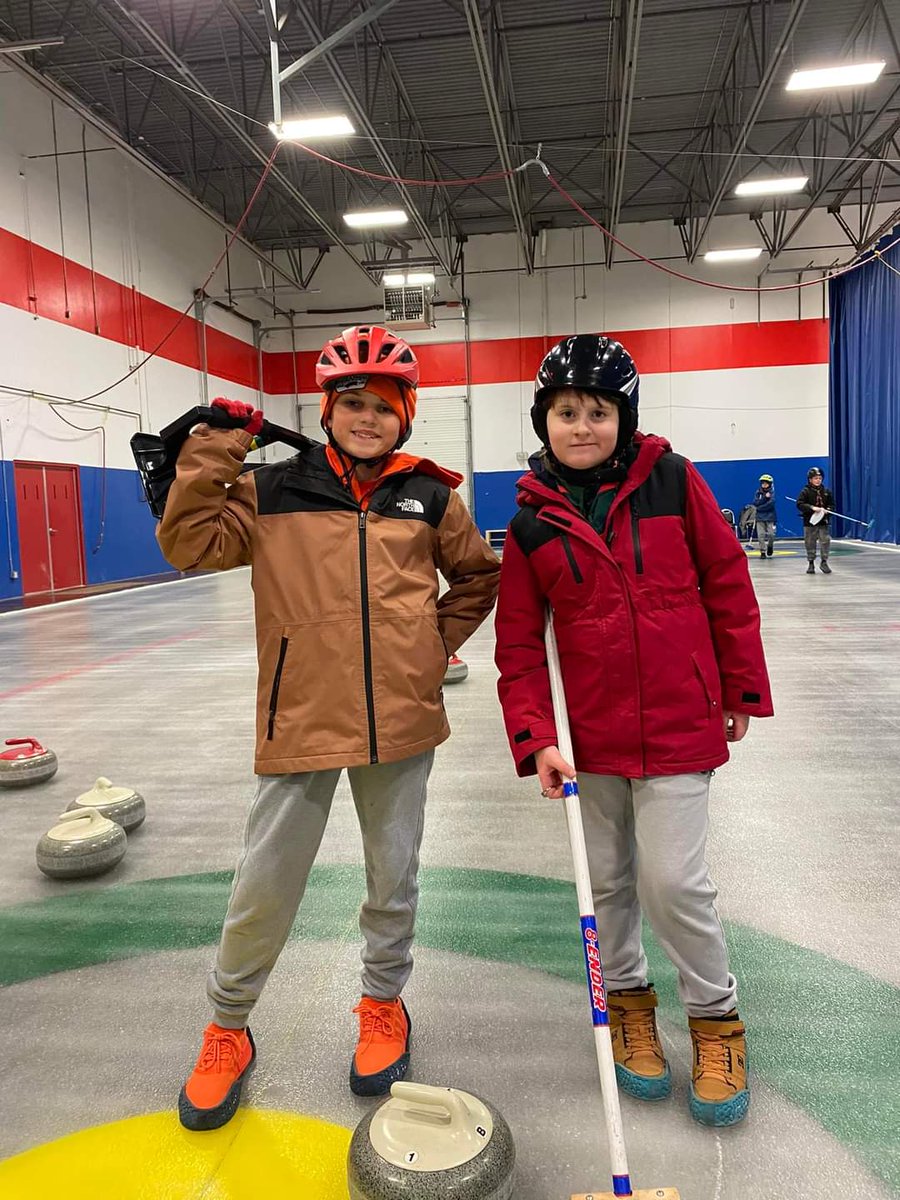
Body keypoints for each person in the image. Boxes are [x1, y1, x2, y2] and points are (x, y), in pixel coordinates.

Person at [156, 324, 500, 1131]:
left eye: (383, 406)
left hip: (403, 725)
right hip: (299, 719)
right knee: (264, 885)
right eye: (352, 403)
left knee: (394, 877)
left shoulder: (428, 495)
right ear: (327, 410)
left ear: (406, 413)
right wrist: (214, 448)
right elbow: (188, 543)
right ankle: (227, 1029)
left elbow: (478, 577)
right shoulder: (271, 489)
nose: (367, 418)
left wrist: (429, 649)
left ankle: (383, 1006)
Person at [493, 334, 773, 1128]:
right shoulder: (530, 527)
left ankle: (716, 1021)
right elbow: (518, 646)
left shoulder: (673, 483)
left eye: (599, 411)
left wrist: (740, 685)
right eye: (567, 412)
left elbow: (726, 581)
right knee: (607, 885)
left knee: (675, 884)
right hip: (590, 740)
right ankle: (630, 1008)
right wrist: (536, 737)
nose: (583, 426)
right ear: (545, 420)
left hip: (680, 725)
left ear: (626, 417)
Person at [796, 466, 834, 574]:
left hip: (823, 522)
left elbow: (832, 504)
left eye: (820, 478)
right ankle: (811, 563)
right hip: (810, 522)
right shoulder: (805, 491)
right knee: (810, 542)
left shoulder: (826, 492)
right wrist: (812, 508)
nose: (818, 480)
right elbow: (800, 504)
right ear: (810, 479)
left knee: (825, 541)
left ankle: (824, 562)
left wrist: (828, 510)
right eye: (815, 478)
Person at [753, 474, 777, 559]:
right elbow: (755, 502)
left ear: (770, 484)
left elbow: (771, 504)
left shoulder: (772, 493)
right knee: (761, 535)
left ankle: (770, 546)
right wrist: (764, 498)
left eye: (766, 483)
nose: (764, 485)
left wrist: (759, 508)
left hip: (770, 516)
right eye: (763, 483)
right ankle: (762, 551)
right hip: (760, 517)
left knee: (771, 534)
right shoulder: (758, 492)